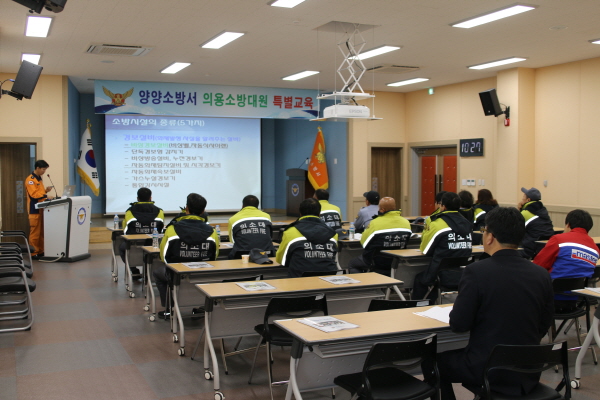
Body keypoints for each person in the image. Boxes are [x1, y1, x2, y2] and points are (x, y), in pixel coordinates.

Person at [437, 207, 554, 400]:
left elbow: (459, 324)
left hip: (487, 368)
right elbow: (545, 322)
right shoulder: (541, 274)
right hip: (529, 369)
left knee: (434, 362)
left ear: (490, 237)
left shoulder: (476, 272)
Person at [153, 193, 219, 318]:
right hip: (202, 275)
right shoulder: (212, 232)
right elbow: (214, 257)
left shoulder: (172, 229)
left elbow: (164, 256)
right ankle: (201, 306)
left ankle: (169, 309)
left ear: (186, 209)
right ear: (203, 211)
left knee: (158, 272)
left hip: (176, 276)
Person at [533, 209, 599, 311]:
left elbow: (538, 265)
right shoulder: (595, 249)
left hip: (550, 298)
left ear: (568, 225)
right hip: (577, 301)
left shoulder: (558, 239)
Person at [412, 192, 473, 300]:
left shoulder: (437, 224)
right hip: (463, 273)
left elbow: (425, 250)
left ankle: (418, 306)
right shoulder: (467, 223)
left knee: (419, 279)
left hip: (441, 274)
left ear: (443, 206)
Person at [276, 198, 338, 277]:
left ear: (300, 213)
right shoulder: (333, 234)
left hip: (299, 279)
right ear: (319, 214)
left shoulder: (290, 232)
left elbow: (281, 260)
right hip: (328, 279)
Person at [348, 197, 412, 273]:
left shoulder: (375, 223)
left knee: (352, 264)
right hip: (397, 261)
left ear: (382, 209)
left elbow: (364, 243)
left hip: (376, 262)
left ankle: (364, 280)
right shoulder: (406, 223)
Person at [119, 187, 164, 276]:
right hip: (153, 245)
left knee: (121, 248)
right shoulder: (159, 211)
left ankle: (133, 270)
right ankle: (148, 272)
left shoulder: (130, 211)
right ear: (150, 198)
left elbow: (125, 231)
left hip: (133, 246)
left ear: (138, 198)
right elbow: (161, 230)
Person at [228, 195, 275, 259]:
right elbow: (270, 236)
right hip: (266, 254)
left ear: (243, 205)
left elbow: (233, 240)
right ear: (257, 206)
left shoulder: (233, 219)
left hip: (242, 255)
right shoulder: (267, 217)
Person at [25, 160, 54, 258]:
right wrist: (46, 195)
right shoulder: (30, 179)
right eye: (43, 169)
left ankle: (40, 250)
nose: (44, 171)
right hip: (34, 210)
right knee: (35, 233)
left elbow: (39, 193)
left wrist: (46, 190)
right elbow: (34, 195)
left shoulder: (39, 179)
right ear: (37, 168)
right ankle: (33, 253)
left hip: (41, 209)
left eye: (45, 169)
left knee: (41, 232)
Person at [518, 187, 555, 258]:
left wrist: (520, 210)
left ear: (528, 200)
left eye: (523, 197)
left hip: (529, 250)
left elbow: (514, 230)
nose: (521, 199)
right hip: (544, 248)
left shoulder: (525, 213)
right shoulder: (543, 211)